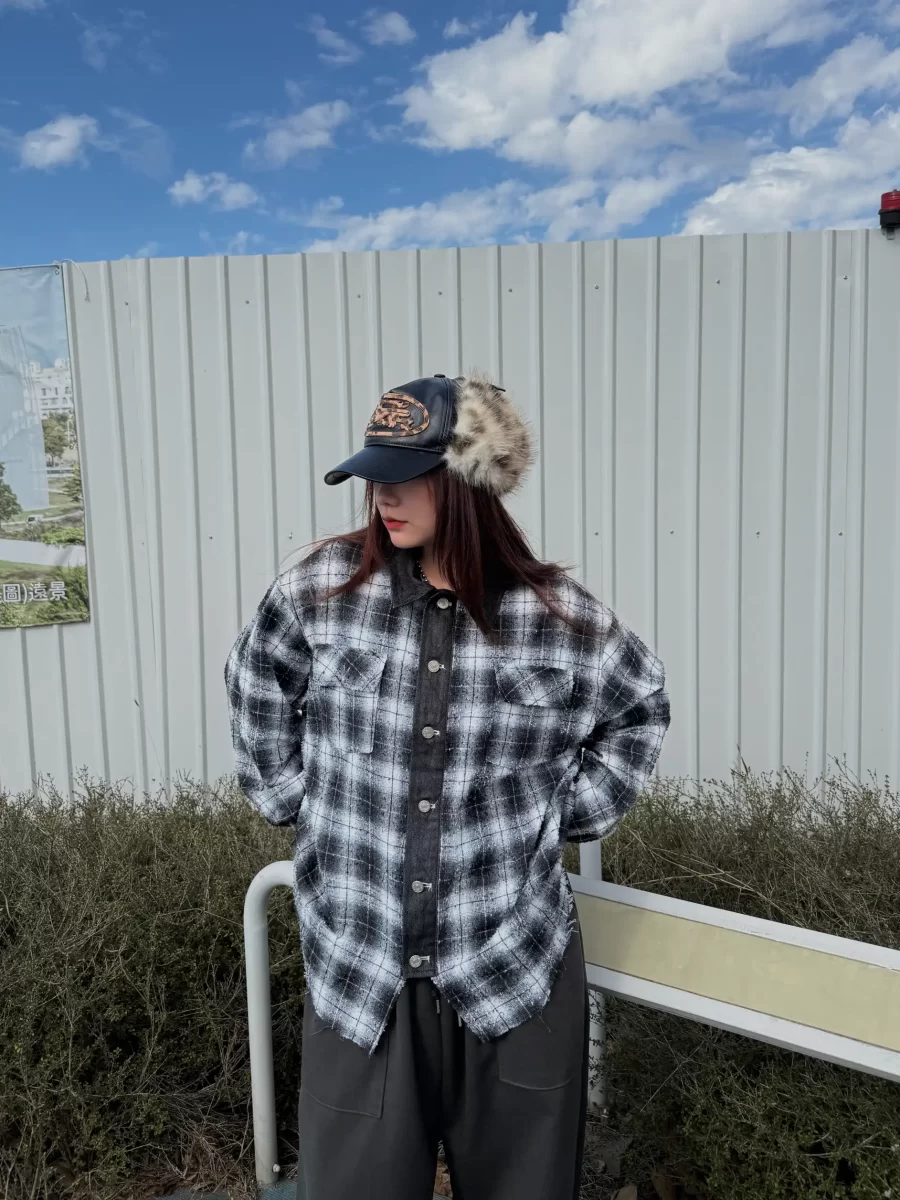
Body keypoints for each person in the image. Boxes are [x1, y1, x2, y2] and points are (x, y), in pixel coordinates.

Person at [225, 373, 671, 1200]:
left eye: (406, 476)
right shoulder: (318, 592)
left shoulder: (558, 617)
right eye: (373, 476)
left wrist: (565, 816)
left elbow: (639, 707)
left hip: (513, 973)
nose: (382, 496)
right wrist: (292, 800)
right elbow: (256, 681)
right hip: (358, 974)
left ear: (468, 482)